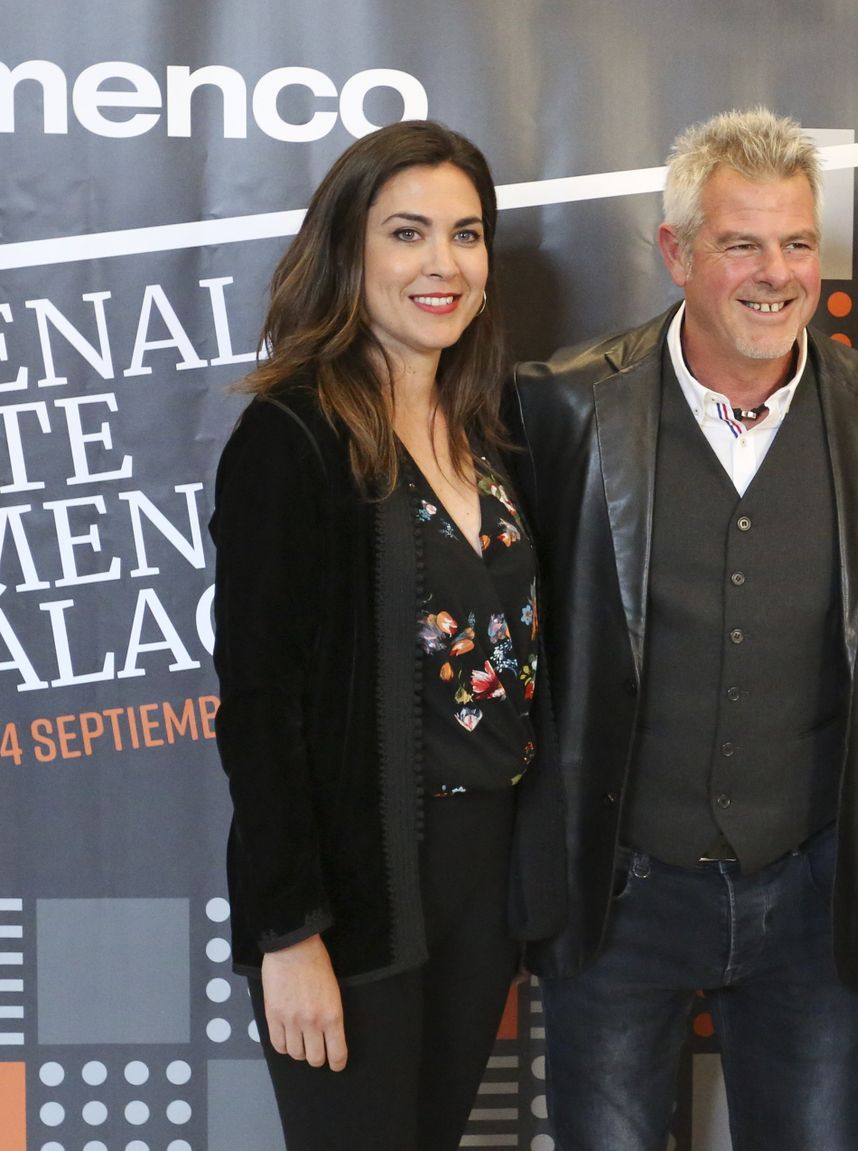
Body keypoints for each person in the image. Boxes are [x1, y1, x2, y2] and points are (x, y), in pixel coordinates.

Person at [504, 107, 858, 1151]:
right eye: (740, 241)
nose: (776, 272)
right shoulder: (567, 409)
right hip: (617, 894)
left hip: (808, 887)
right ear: (676, 251)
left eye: (797, 242)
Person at [210, 120, 536, 1150]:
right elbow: (260, 705)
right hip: (356, 895)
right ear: (350, 251)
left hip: (484, 889)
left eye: (467, 234)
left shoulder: (491, 425)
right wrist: (289, 932)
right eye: (408, 233)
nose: (444, 263)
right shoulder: (292, 434)